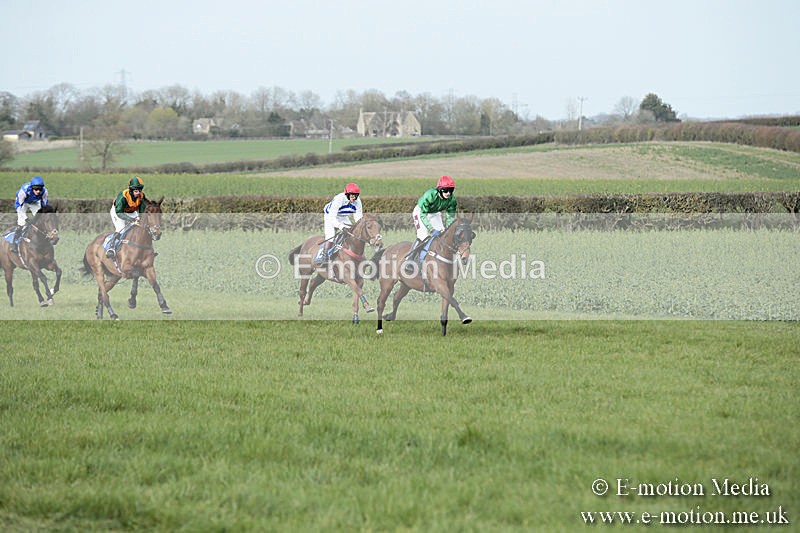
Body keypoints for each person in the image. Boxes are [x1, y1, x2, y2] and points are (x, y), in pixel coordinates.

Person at [405, 175, 458, 269]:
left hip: (435, 213)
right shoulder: (430, 195)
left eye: (451, 190)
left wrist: (448, 228)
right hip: (421, 212)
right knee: (423, 236)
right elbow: (423, 215)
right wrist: (431, 229)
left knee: (443, 235)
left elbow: (450, 216)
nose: (448, 193)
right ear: (439, 189)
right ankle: (409, 260)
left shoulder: (452, 200)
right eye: (445, 190)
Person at [314, 183, 362, 266]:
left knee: (351, 232)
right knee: (330, 236)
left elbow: (358, 218)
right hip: (330, 216)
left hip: (343, 216)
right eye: (351, 196)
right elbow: (332, 217)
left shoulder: (358, 202)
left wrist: (359, 228)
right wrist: (341, 226)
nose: (353, 198)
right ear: (346, 194)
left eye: (355, 195)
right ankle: (324, 256)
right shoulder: (339, 199)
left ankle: (348, 252)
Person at [107, 176, 148, 258]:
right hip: (118, 212)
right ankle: (111, 248)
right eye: (136, 191)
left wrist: (140, 218)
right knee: (121, 228)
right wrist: (131, 220)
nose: (138, 193)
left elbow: (142, 210)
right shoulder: (123, 196)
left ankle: (146, 248)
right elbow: (119, 212)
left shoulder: (141, 196)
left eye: (139, 191)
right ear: (131, 190)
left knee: (140, 227)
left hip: (131, 211)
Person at [11, 176, 49, 253]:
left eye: (40, 189)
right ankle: (14, 244)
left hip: (34, 202)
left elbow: (44, 206)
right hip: (23, 203)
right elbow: (18, 206)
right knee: (22, 223)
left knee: (41, 219)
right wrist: (25, 218)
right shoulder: (24, 191)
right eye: (36, 189)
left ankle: (44, 237)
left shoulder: (44, 192)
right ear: (32, 188)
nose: (38, 191)